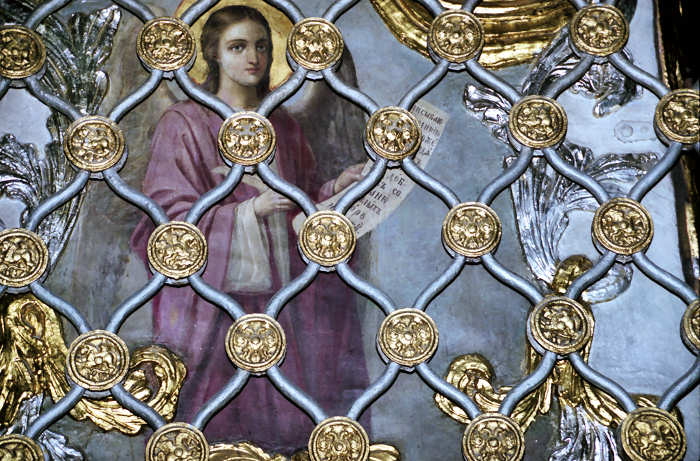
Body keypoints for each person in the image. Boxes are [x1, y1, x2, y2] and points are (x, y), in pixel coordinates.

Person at [130, 5, 368, 452]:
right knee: (213, 421)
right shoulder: (185, 123)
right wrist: (248, 212)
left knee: (288, 422)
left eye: (261, 46)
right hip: (216, 306)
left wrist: (337, 188)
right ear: (213, 54)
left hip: (285, 301)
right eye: (238, 47)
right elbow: (166, 222)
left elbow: (302, 199)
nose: (253, 58)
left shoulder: (283, 126)